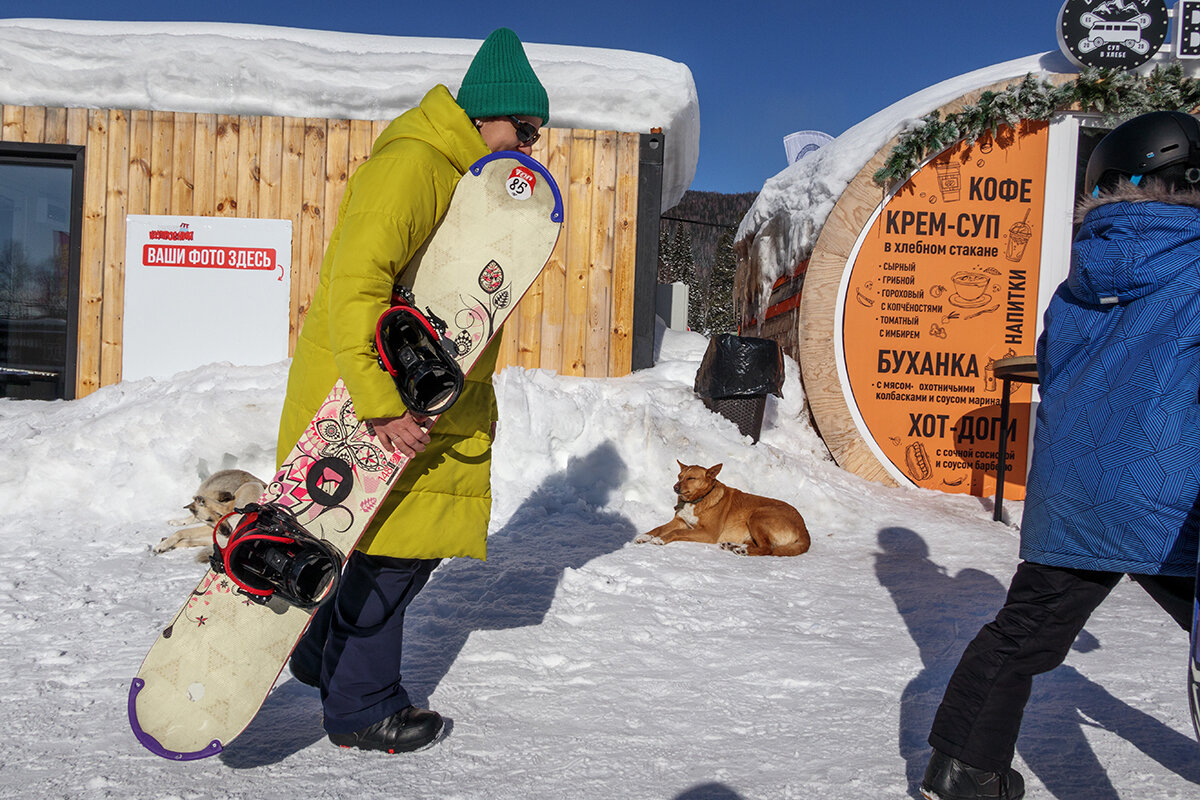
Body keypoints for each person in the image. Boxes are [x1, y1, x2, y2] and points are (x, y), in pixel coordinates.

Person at [277, 27, 549, 754]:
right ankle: (362, 709)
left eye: (536, 134)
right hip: (370, 402)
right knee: (393, 555)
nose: (529, 146)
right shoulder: (413, 167)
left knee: (403, 546)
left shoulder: (464, 181)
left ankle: (318, 657)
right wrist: (381, 403)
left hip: (420, 404)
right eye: (521, 129)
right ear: (481, 115)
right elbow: (355, 287)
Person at [919, 110, 1200, 800]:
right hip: (1172, 495)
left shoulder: (1077, 282)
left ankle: (961, 772)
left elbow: (1055, 367)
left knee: (1021, 635)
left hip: (1074, 492)